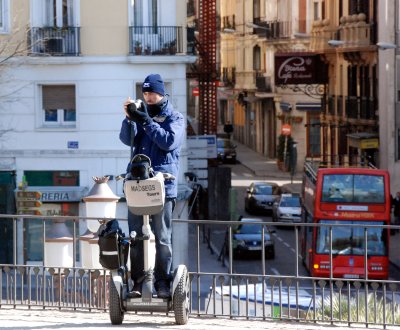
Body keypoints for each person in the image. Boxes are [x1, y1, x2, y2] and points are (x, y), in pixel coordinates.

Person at [119, 74, 184, 299]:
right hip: (138, 186)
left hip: (163, 188)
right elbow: (127, 140)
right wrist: (128, 118)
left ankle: (162, 282)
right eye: (145, 93)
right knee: (135, 235)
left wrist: (146, 121)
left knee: (163, 238)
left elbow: (168, 142)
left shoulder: (175, 117)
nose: (148, 97)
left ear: (162, 93)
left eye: (152, 93)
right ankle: (137, 281)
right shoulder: (140, 114)